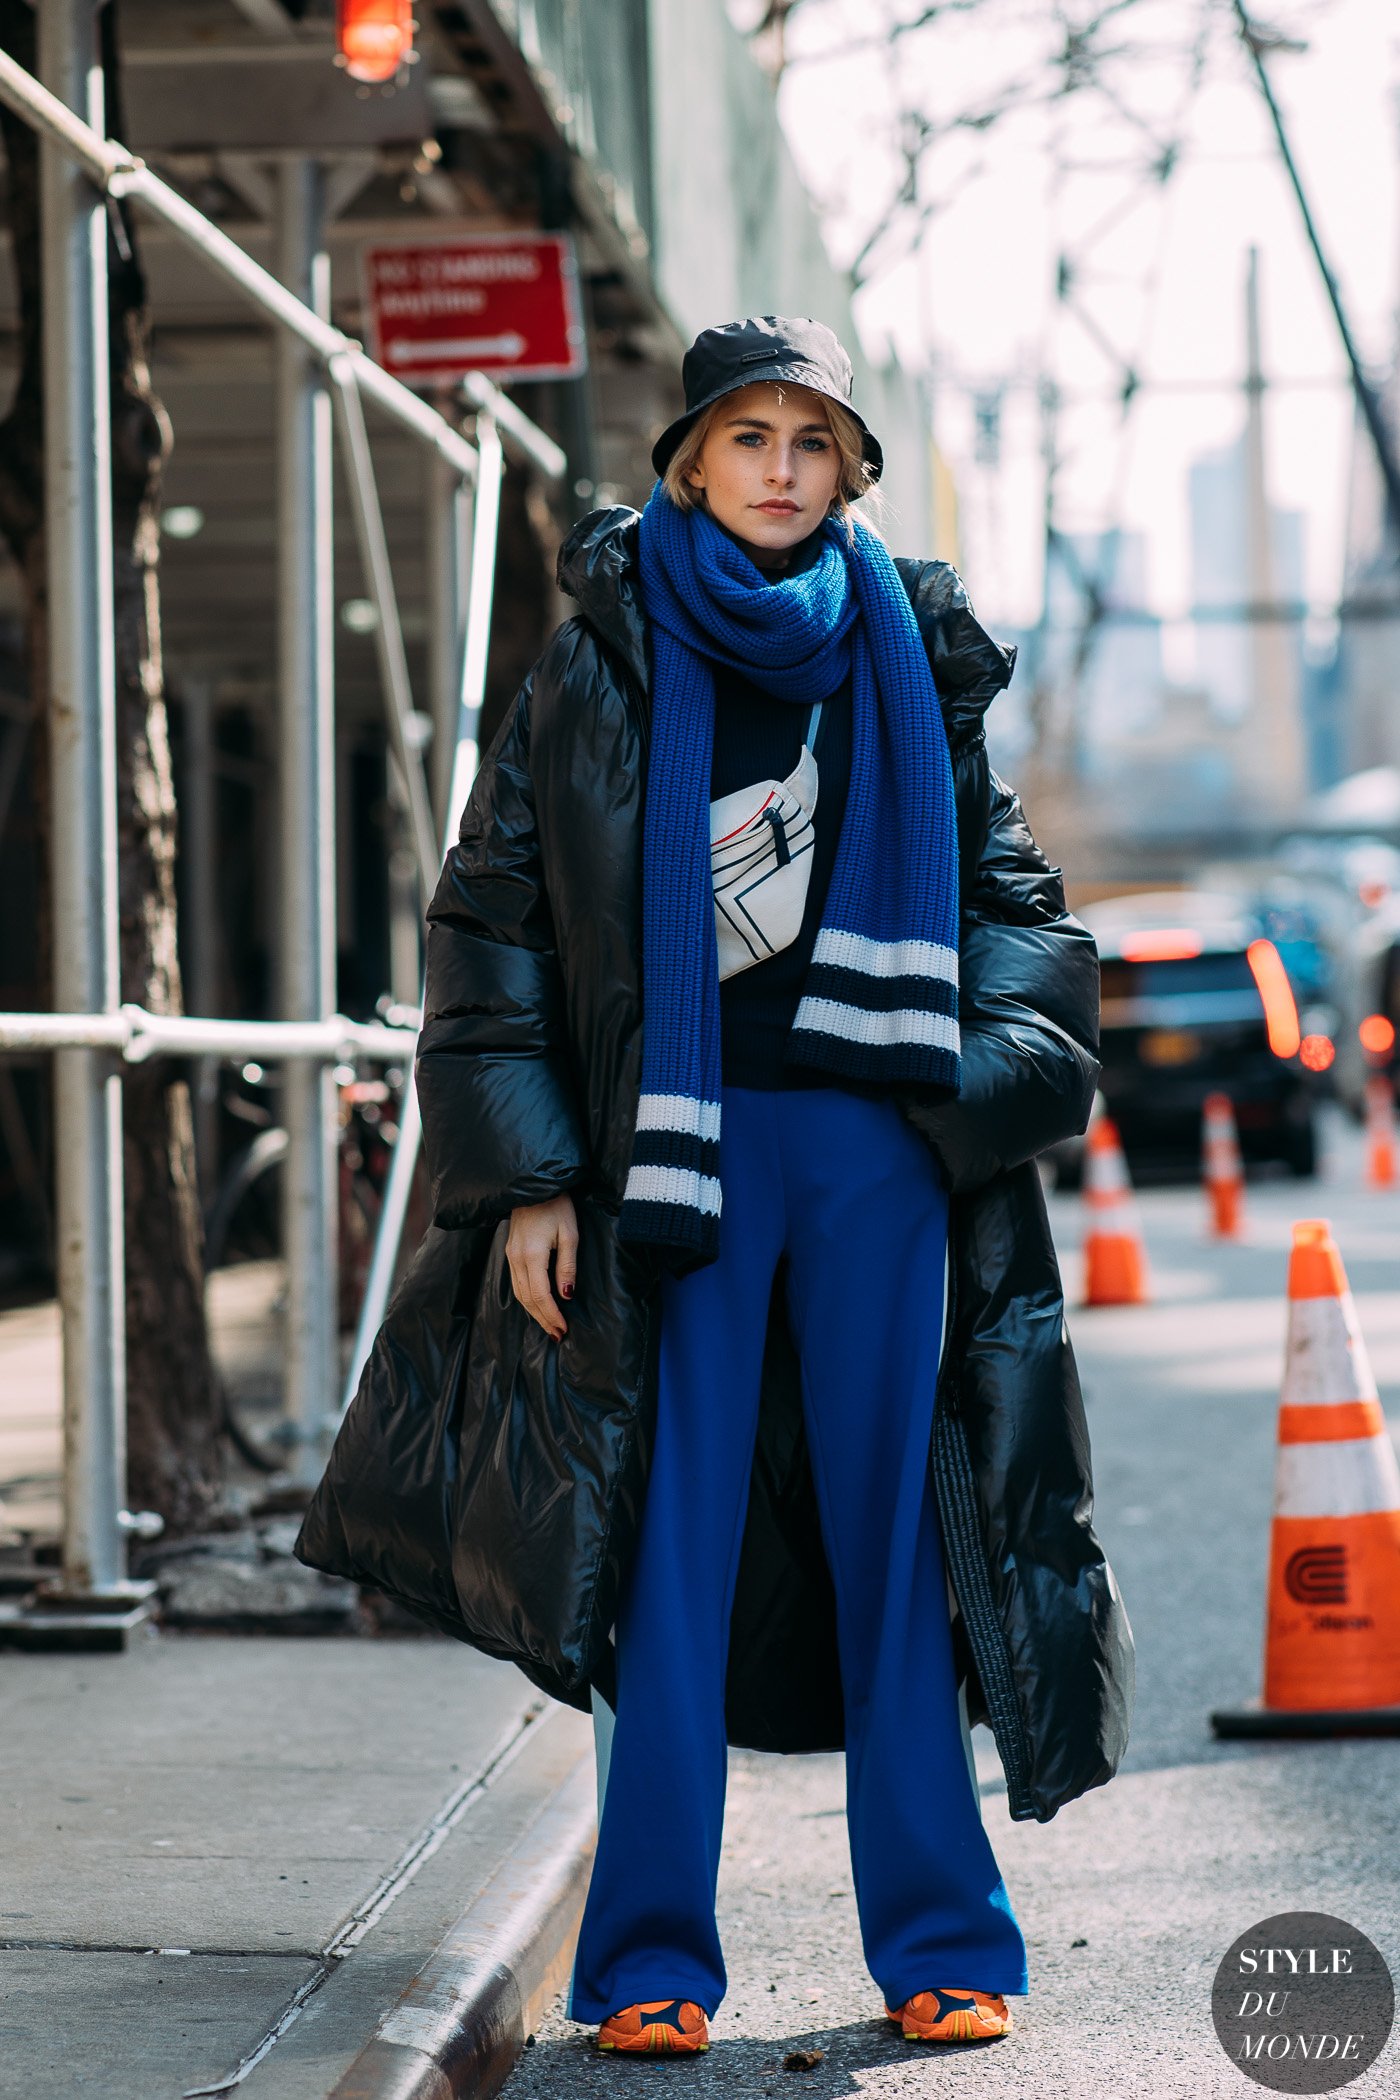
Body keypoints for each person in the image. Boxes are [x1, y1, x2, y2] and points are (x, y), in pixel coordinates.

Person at [295, 315, 1134, 2059]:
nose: (776, 465)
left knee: (902, 1539)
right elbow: (492, 925)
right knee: (663, 1554)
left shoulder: (909, 645)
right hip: (660, 1161)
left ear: (847, 472)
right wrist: (528, 1176)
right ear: (688, 460)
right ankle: (651, 1965)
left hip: (872, 1155)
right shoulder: (600, 653)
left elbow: (1022, 920)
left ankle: (944, 1940)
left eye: (809, 440)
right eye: (745, 435)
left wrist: (953, 1094)